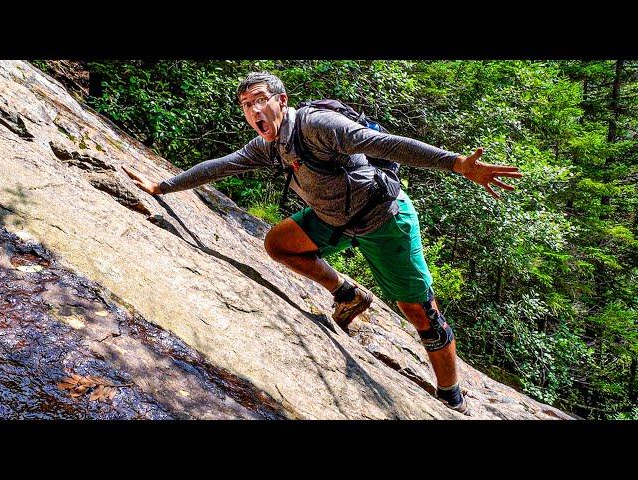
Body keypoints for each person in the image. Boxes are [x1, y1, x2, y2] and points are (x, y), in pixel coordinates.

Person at [122, 71, 522, 414]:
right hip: (333, 221)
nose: (254, 111)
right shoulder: (269, 145)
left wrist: (456, 163)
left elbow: (386, 144)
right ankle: (347, 293)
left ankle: (452, 401)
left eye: (261, 100)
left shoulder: (319, 127)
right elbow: (219, 166)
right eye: (246, 105)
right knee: (278, 243)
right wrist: (163, 186)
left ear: (281, 101)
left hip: (383, 220)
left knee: (424, 317)